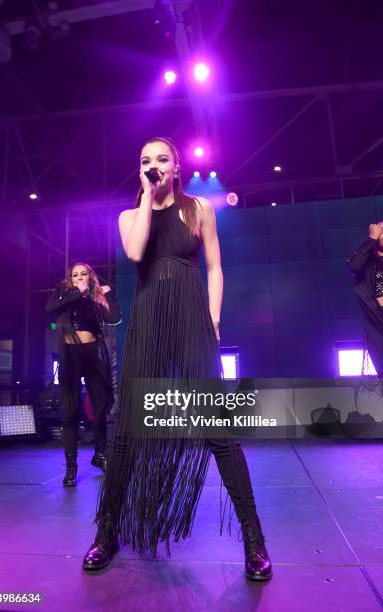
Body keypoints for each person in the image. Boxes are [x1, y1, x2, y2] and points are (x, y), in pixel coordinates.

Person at [82, 137, 272, 581]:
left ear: (177, 165)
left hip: (191, 320)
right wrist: (148, 197)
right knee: (128, 432)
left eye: (161, 159)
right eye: (145, 160)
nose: (154, 165)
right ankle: (106, 533)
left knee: (218, 431)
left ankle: (254, 538)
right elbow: (134, 252)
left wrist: (214, 318)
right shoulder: (131, 215)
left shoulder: (198, 209)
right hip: (148, 323)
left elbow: (215, 267)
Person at [46, 263, 121, 486]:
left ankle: (101, 455)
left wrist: (110, 296)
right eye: (75, 274)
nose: (79, 277)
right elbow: (50, 309)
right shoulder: (64, 295)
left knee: (99, 408)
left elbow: (113, 318)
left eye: (83, 274)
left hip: (93, 353)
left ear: (91, 277)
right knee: (71, 411)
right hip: (70, 354)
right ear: (70, 278)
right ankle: (71, 466)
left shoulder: (96, 298)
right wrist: (75, 292)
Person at [347, 222, 383, 376]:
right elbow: (353, 266)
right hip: (377, 321)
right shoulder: (368, 263)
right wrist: (371, 239)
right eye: (381, 231)